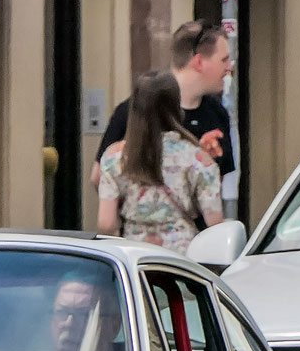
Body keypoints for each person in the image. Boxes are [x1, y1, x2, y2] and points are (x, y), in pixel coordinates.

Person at [95, 20, 236, 189]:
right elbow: (99, 176)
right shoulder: (136, 110)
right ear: (199, 62)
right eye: (224, 60)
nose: (229, 68)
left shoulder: (216, 113)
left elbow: (215, 186)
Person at [96, 70, 225, 253]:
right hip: (182, 257)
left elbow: (106, 223)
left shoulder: (114, 157)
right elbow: (214, 222)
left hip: (135, 256)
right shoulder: (198, 158)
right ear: (176, 104)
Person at [48, 275, 126, 351]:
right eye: (62, 312)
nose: (69, 324)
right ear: (51, 320)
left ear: (115, 326)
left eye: (83, 315)